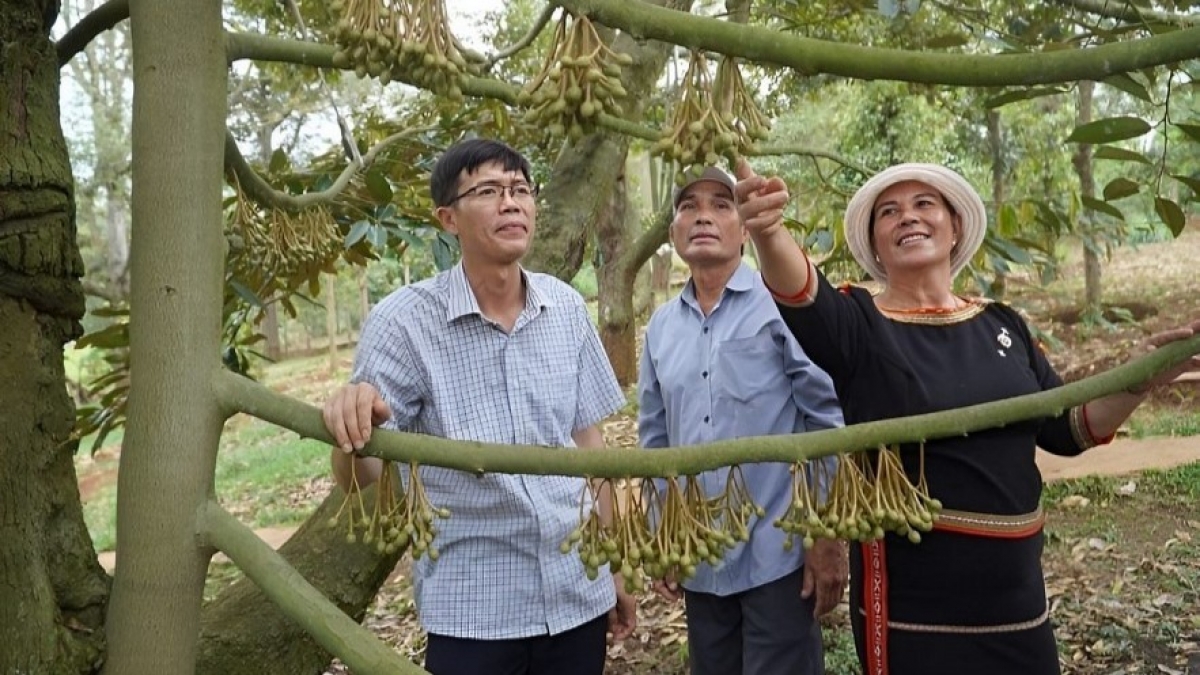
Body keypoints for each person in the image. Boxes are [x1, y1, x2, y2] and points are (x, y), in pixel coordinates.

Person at [733, 160, 1200, 675]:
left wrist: (1139, 379)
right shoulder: (859, 322)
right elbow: (802, 292)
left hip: (1018, 603)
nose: (907, 217)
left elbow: (1066, 428)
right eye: (889, 213)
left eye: (924, 204)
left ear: (954, 228)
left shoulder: (1003, 323)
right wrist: (769, 231)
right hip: (915, 611)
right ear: (877, 243)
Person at [321, 138, 635, 675]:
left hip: (575, 593)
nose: (511, 203)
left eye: (520, 190)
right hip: (475, 613)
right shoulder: (403, 324)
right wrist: (350, 426)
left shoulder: (564, 308)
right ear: (448, 218)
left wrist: (617, 568)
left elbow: (591, 449)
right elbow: (361, 477)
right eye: (488, 191)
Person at [638, 166, 847, 675]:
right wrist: (662, 535)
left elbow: (826, 417)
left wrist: (825, 533)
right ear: (673, 235)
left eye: (721, 204)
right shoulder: (662, 328)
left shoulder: (783, 308)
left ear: (745, 228)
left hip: (778, 554)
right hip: (702, 557)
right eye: (689, 206)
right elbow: (656, 438)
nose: (703, 215)